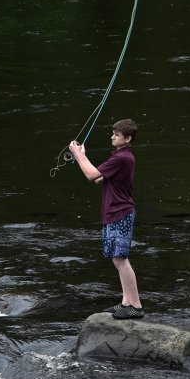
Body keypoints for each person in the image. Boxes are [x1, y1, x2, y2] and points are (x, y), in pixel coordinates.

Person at [68, 119, 144, 319]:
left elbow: (92, 175)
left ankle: (136, 306)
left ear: (127, 139)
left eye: (117, 135)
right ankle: (125, 302)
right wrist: (83, 156)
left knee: (121, 258)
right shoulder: (119, 156)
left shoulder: (124, 157)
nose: (112, 136)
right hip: (113, 212)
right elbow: (100, 178)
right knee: (116, 258)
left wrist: (77, 155)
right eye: (113, 133)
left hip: (121, 212)